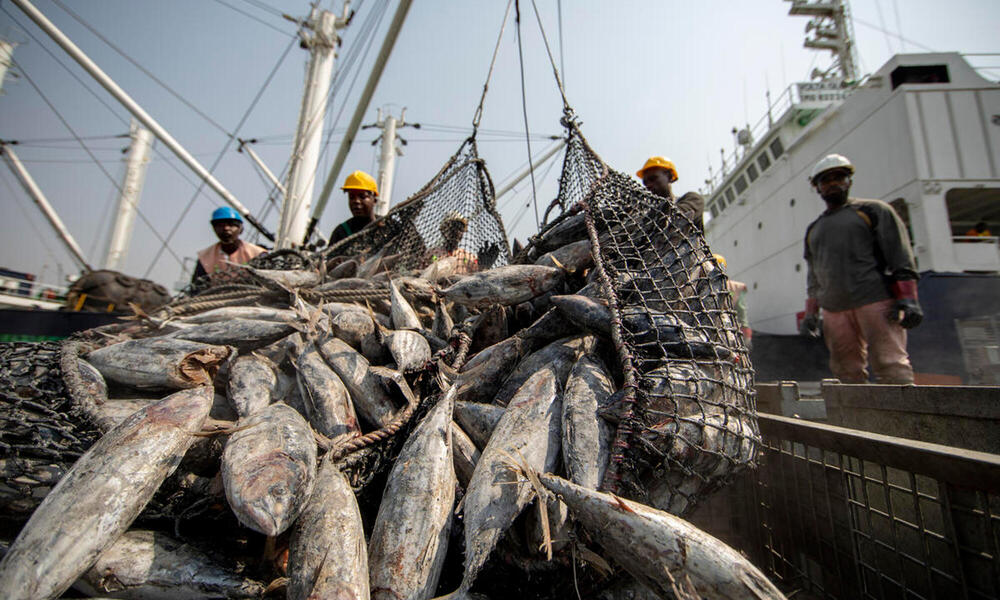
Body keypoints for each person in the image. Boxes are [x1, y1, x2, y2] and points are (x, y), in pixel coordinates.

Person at [800, 154, 923, 384]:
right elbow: (814, 275)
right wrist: (811, 312)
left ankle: (904, 416)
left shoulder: (873, 211)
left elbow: (899, 253)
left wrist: (909, 297)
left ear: (849, 181)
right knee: (845, 369)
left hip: (874, 300)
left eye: (840, 178)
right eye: (826, 180)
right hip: (834, 308)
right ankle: (858, 418)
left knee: (890, 363)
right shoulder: (814, 230)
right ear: (817, 187)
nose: (833, 183)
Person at [192, 207, 266, 285]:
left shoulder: (257, 254)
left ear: (241, 228)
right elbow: (197, 287)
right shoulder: (205, 257)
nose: (226, 228)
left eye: (231, 225)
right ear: (214, 228)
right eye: (220, 225)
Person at [636, 156, 705, 231]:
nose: (648, 185)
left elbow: (679, 215)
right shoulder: (649, 217)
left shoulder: (694, 199)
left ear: (669, 176)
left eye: (653, 178)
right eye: (645, 183)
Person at [713, 254, 752, 349]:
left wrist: (746, 335)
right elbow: (742, 313)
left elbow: (741, 313)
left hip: (728, 332)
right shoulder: (735, 287)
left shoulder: (735, 288)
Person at [329, 170, 378, 244]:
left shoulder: (387, 226)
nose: (356, 201)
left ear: (374, 201)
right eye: (351, 197)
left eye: (362, 196)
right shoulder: (341, 232)